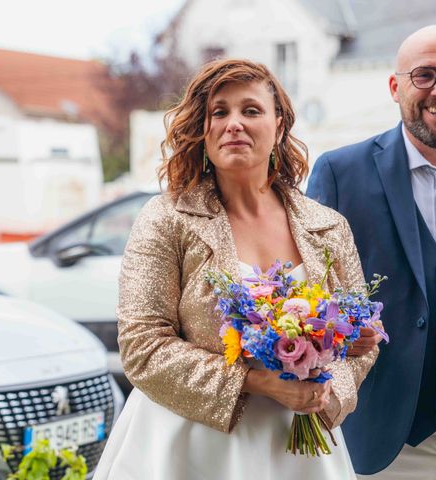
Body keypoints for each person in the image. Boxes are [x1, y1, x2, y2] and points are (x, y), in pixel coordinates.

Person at [93, 59, 378, 479]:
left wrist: (324, 390)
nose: (234, 124)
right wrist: (259, 382)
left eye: (251, 110)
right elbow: (142, 347)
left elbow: (361, 343)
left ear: (279, 126)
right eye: (219, 112)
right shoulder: (166, 219)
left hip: (299, 455)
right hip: (187, 448)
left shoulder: (328, 227)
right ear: (202, 130)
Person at [307, 25, 436, 479]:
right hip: (382, 437)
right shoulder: (339, 173)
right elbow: (310, 293)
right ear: (395, 86)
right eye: (423, 75)